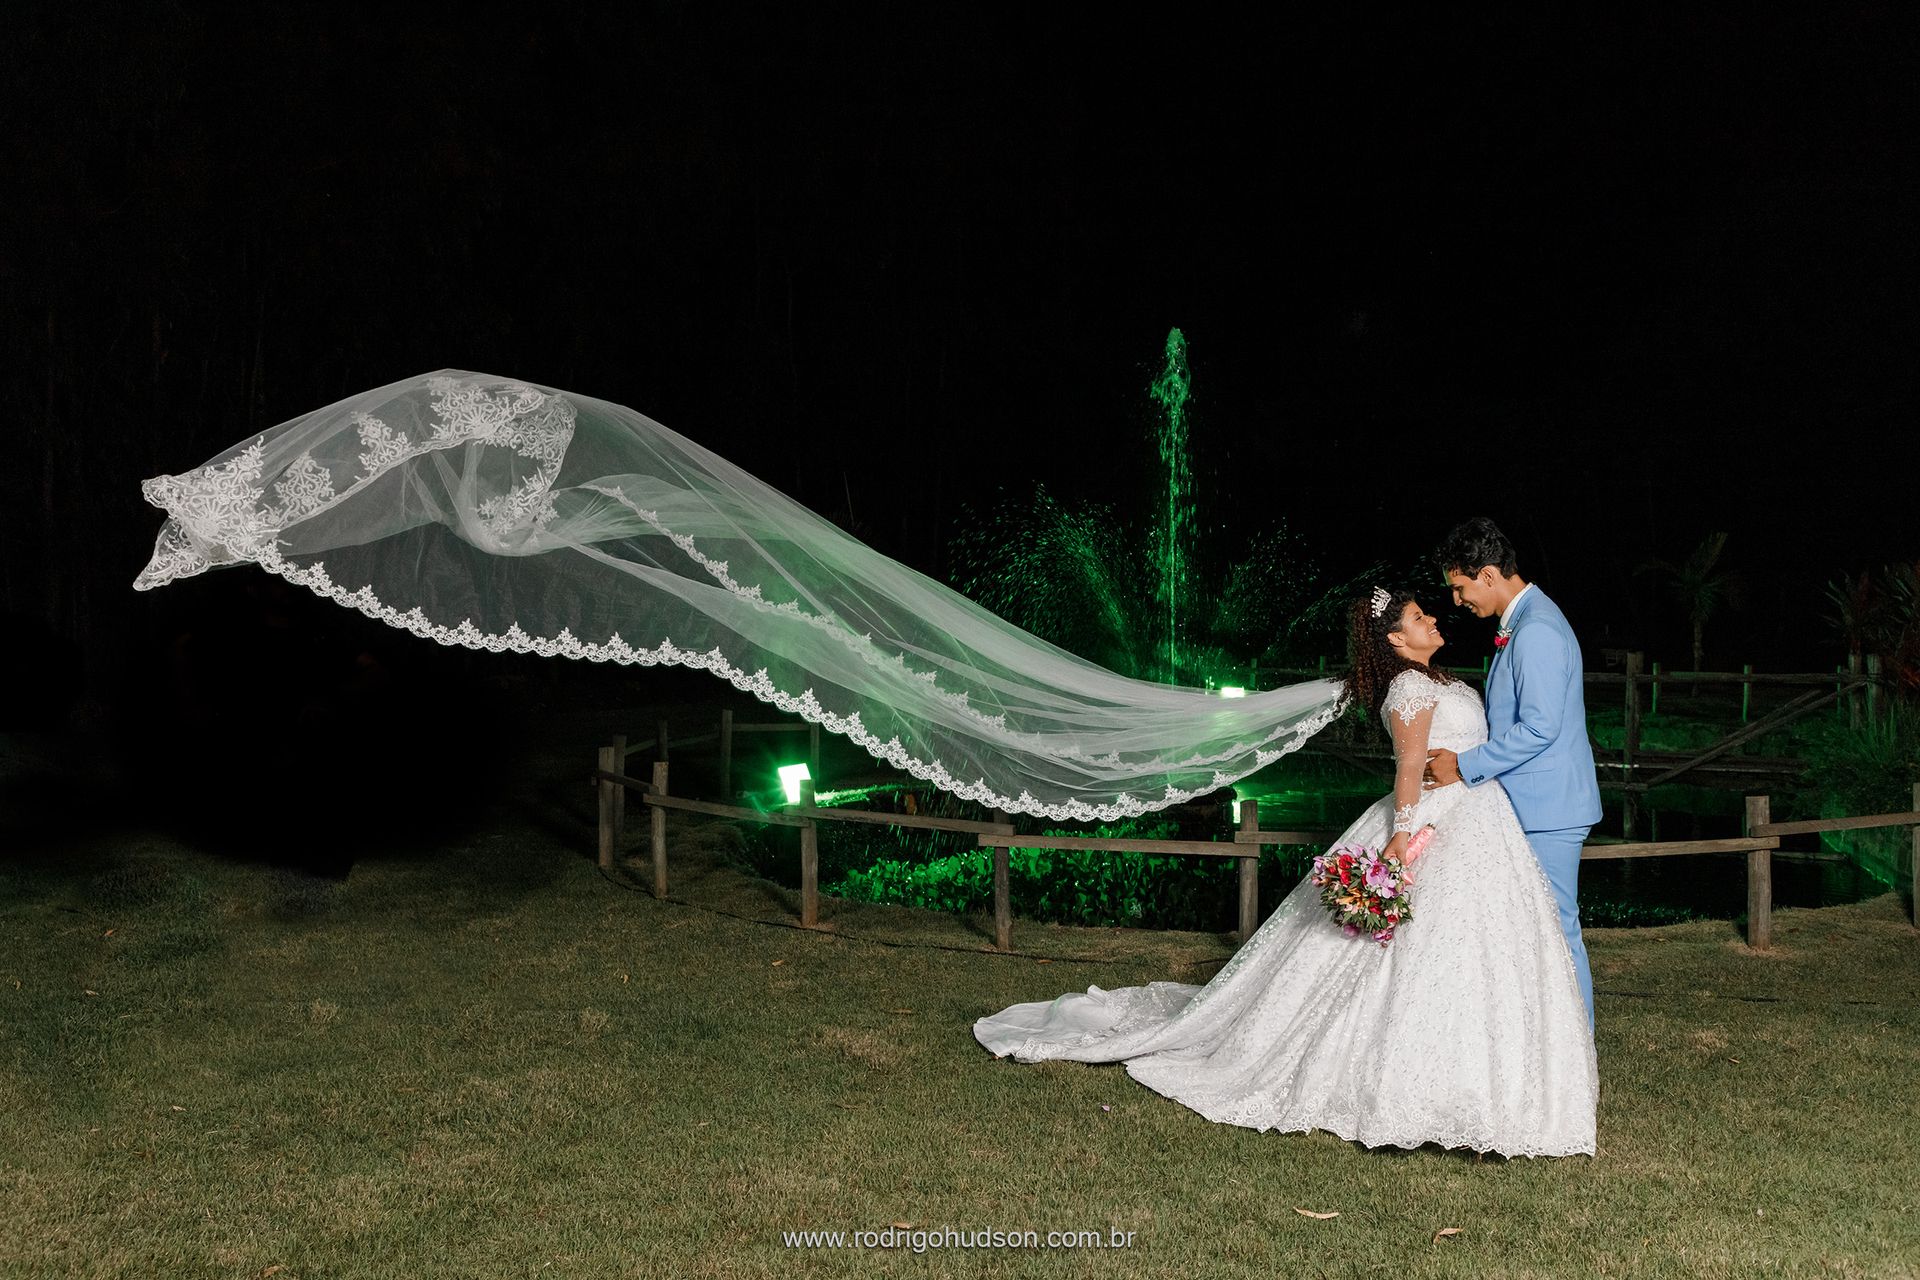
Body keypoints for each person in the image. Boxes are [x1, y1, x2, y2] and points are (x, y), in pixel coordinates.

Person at [973, 588, 1598, 1158]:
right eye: (1417, 617)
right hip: (1433, 823)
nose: (1434, 617)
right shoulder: (1408, 691)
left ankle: (1495, 1077)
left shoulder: (1439, 678)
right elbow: (1408, 769)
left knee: (1480, 954)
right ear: (1393, 641)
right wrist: (1401, 845)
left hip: (1481, 822)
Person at [1423, 517, 1602, 1027]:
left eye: (1459, 588)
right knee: (1533, 929)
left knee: (1556, 928)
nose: (1457, 602)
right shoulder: (1522, 623)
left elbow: (1540, 729)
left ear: (1487, 575)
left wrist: (1463, 764)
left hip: (1549, 808)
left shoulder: (1538, 630)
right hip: (1532, 802)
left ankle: (1577, 1051)